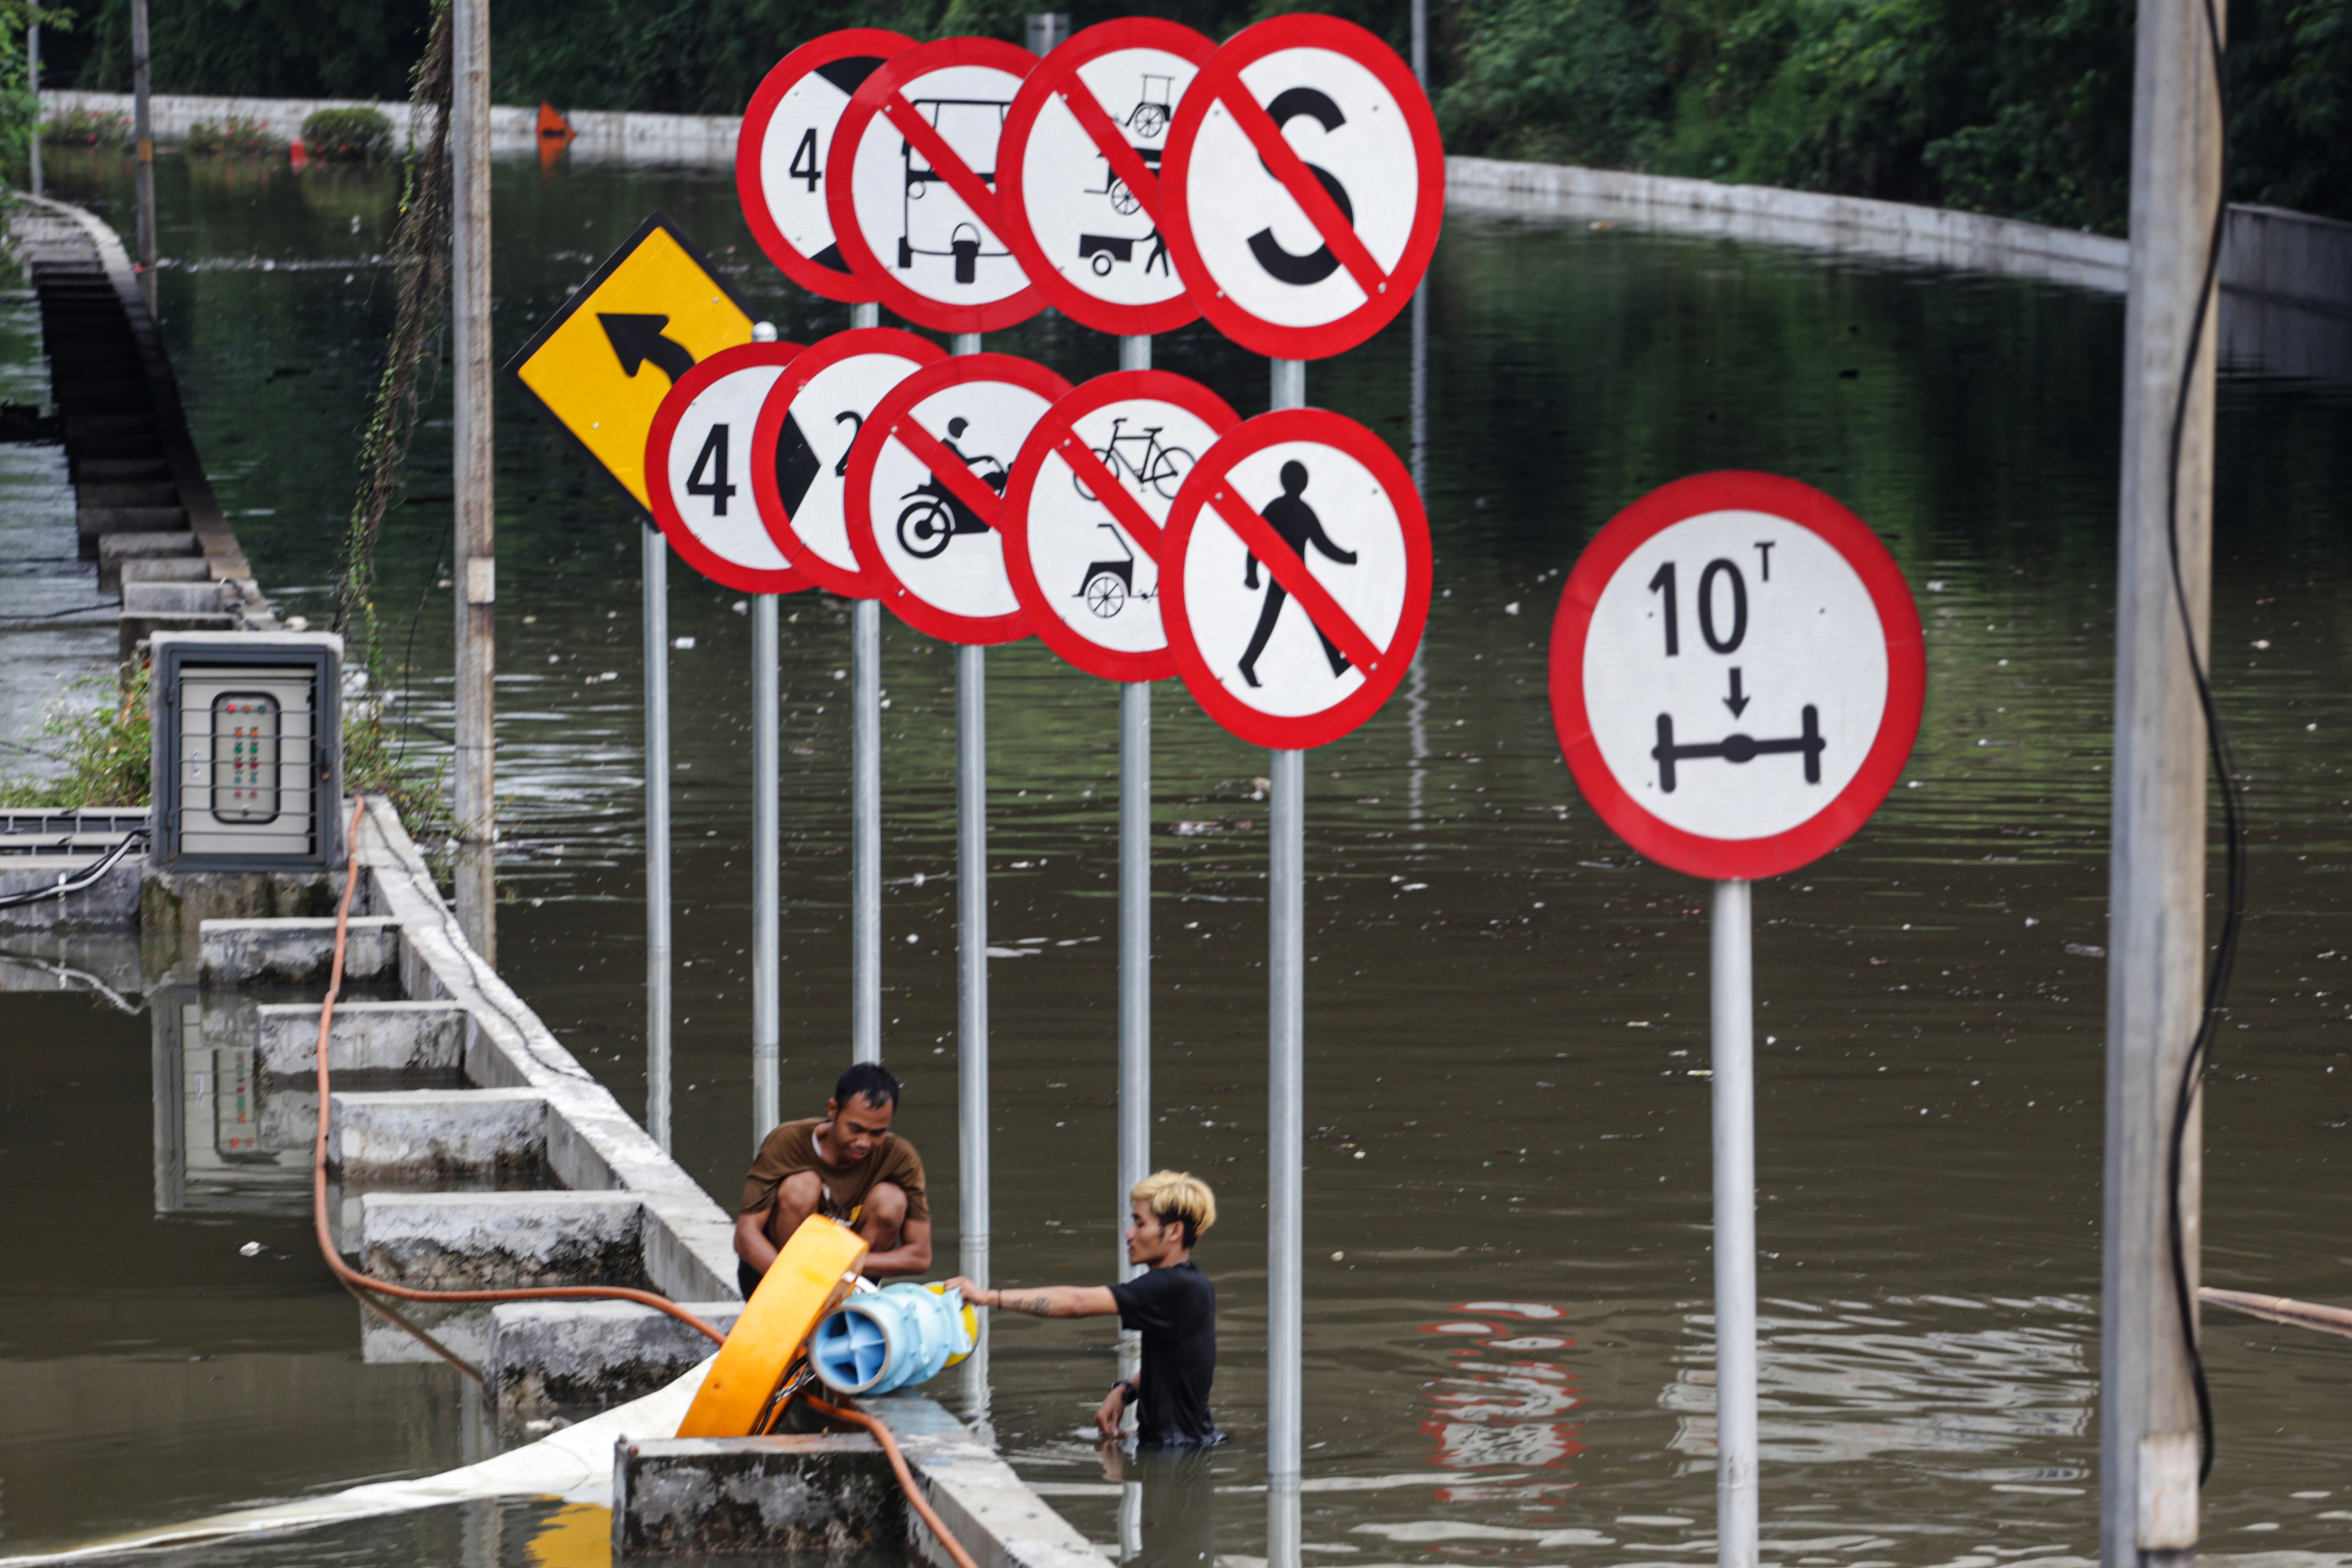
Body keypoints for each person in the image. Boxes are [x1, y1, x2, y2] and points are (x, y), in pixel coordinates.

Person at [947, 1171, 1221, 1447]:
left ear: (1174, 1231)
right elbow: (1174, 1364)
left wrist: (986, 1296)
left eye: (1140, 1224)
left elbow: (1078, 1304)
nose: (1129, 1234)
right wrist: (1125, 1390)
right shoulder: (1193, 1282)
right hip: (1187, 1446)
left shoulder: (1172, 1287)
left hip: (1178, 1456)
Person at [736, 1062, 931, 1297]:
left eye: (877, 1133)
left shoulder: (900, 1158)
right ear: (833, 1110)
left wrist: (841, 1266)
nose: (864, 1143)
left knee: (891, 1200)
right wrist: (789, 1278)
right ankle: (797, 1294)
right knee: (802, 1186)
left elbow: (919, 1256)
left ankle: (843, 1299)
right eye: (855, 1129)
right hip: (773, 1280)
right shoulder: (787, 1141)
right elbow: (746, 1236)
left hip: (847, 1283)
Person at [1238, 460, 1356, 688]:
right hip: (1292, 575)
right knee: (1293, 618)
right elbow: (1257, 541)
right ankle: (1247, 663)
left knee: (1286, 618)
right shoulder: (1296, 510)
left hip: (1294, 574)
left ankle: (1248, 663)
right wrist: (1350, 558)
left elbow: (1322, 544)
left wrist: (1349, 558)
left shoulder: (1284, 509)